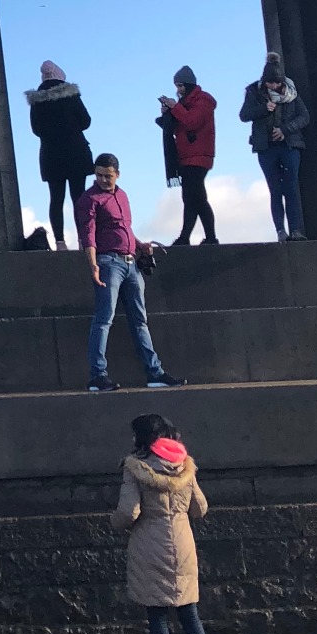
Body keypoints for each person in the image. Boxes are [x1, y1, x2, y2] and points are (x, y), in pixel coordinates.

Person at [111, 413, 217, 634]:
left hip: (149, 544)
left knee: (157, 618)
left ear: (141, 437)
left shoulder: (135, 467)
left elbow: (128, 512)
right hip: (183, 544)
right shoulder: (185, 465)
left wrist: (113, 523)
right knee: (190, 616)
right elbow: (201, 508)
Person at [76, 154, 183, 394]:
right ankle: (98, 375)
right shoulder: (89, 199)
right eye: (99, 175)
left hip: (130, 262)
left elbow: (123, 227)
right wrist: (93, 264)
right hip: (107, 262)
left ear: (118, 174)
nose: (103, 179)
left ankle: (155, 372)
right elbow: (88, 235)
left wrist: (139, 244)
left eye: (108, 175)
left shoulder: (122, 195)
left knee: (140, 320)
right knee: (104, 319)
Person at [238, 51, 309, 242]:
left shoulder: (291, 94)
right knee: (275, 190)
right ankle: (280, 230)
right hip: (266, 147)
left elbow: (304, 117)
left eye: (277, 83)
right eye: (270, 83)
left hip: (289, 146)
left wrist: (285, 129)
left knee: (292, 188)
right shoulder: (254, 92)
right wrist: (263, 109)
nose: (274, 87)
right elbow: (243, 115)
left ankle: (296, 230)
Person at [25, 60, 94, 248]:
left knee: (56, 198)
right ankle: (83, 240)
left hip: (50, 154)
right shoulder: (70, 95)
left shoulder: (37, 100)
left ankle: (60, 241)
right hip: (75, 152)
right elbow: (86, 121)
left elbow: (35, 129)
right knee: (79, 197)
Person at [159, 67, 218, 246]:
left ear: (187, 84)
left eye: (180, 86)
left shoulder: (204, 101)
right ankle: (186, 237)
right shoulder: (186, 104)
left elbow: (192, 122)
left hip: (198, 156)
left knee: (196, 197)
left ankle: (207, 237)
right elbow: (181, 126)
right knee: (191, 198)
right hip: (187, 157)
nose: (178, 90)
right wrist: (167, 113)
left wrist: (174, 107)